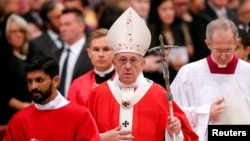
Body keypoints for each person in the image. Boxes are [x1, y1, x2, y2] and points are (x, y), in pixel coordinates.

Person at [87, 7, 198, 141]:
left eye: (133, 60)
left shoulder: (159, 95)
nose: (127, 66)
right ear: (114, 63)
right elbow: (82, 135)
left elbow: (186, 136)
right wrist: (101, 138)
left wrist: (175, 131)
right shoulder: (98, 94)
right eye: (122, 60)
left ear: (143, 64)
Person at [170, 19, 250, 141]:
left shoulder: (247, 72)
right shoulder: (188, 73)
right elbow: (172, 112)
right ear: (208, 44)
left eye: (228, 50)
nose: (223, 56)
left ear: (235, 43)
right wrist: (205, 114)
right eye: (218, 50)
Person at [3, 55, 101, 141]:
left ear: (55, 81)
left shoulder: (80, 115)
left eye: (39, 80)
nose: (33, 87)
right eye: (29, 81)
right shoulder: (19, 120)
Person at [67, 28, 115, 106]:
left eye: (106, 49)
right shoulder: (78, 85)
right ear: (89, 53)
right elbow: (72, 114)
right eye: (96, 50)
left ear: (114, 51)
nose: (101, 55)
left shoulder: (124, 82)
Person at [58, 8, 93, 97]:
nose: (62, 28)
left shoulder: (92, 53)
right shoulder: (56, 53)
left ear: (81, 26)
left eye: (67, 24)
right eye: (61, 25)